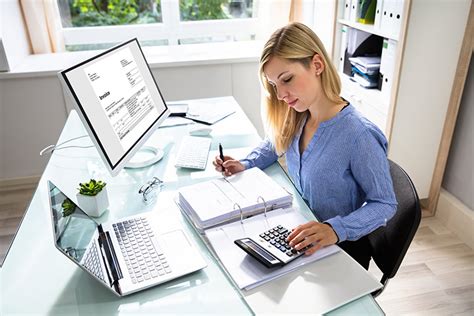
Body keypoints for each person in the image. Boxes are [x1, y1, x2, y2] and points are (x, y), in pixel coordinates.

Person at [213, 22, 397, 269]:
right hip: (300, 235)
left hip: (339, 249)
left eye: (287, 79)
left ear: (317, 65)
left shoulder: (359, 135)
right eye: (274, 85)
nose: (280, 95)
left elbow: (385, 204)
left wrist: (334, 229)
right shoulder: (300, 114)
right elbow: (274, 143)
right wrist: (245, 164)